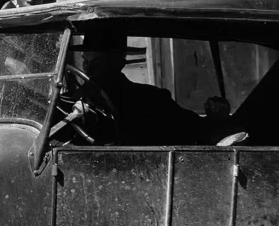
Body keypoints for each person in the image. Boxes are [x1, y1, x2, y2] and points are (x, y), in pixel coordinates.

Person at [74, 30, 229, 145]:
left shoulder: (153, 100)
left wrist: (216, 117)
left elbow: (194, 128)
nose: (87, 68)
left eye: (96, 62)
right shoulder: (71, 103)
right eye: (86, 61)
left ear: (119, 63)